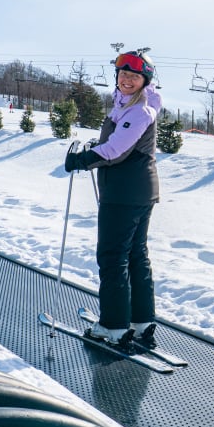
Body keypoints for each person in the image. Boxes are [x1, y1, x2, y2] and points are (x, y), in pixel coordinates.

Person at [64, 50, 162, 347]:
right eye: (123, 74)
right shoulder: (126, 105)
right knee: (134, 254)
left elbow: (116, 149)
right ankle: (140, 320)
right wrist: (97, 145)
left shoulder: (138, 110)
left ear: (144, 81)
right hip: (136, 190)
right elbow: (119, 141)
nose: (127, 80)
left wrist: (82, 160)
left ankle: (114, 326)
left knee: (113, 256)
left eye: (134, 76)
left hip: (124, 193)